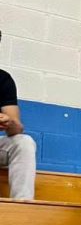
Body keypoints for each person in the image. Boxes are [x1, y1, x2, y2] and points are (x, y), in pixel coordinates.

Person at [0, 68, 36, 199]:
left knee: (23, 142)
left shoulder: (3, 79)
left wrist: (9, 122)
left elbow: (16, 128)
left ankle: (23, 205)